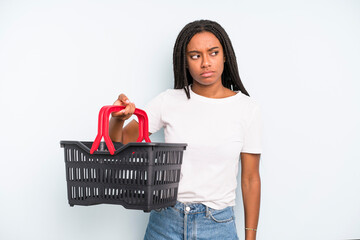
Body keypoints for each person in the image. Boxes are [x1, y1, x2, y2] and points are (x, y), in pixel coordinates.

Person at [109, 19, 262, 240]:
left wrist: (251, 237)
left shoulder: (247, 109)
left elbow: (250, 179)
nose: (205, 63)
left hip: (218, 226)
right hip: (165, 222)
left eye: (213, 53)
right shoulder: (168, 101)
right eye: (195, 56)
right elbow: (118, 146)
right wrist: (117, 119)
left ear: (225, 55)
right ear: (186, 61)